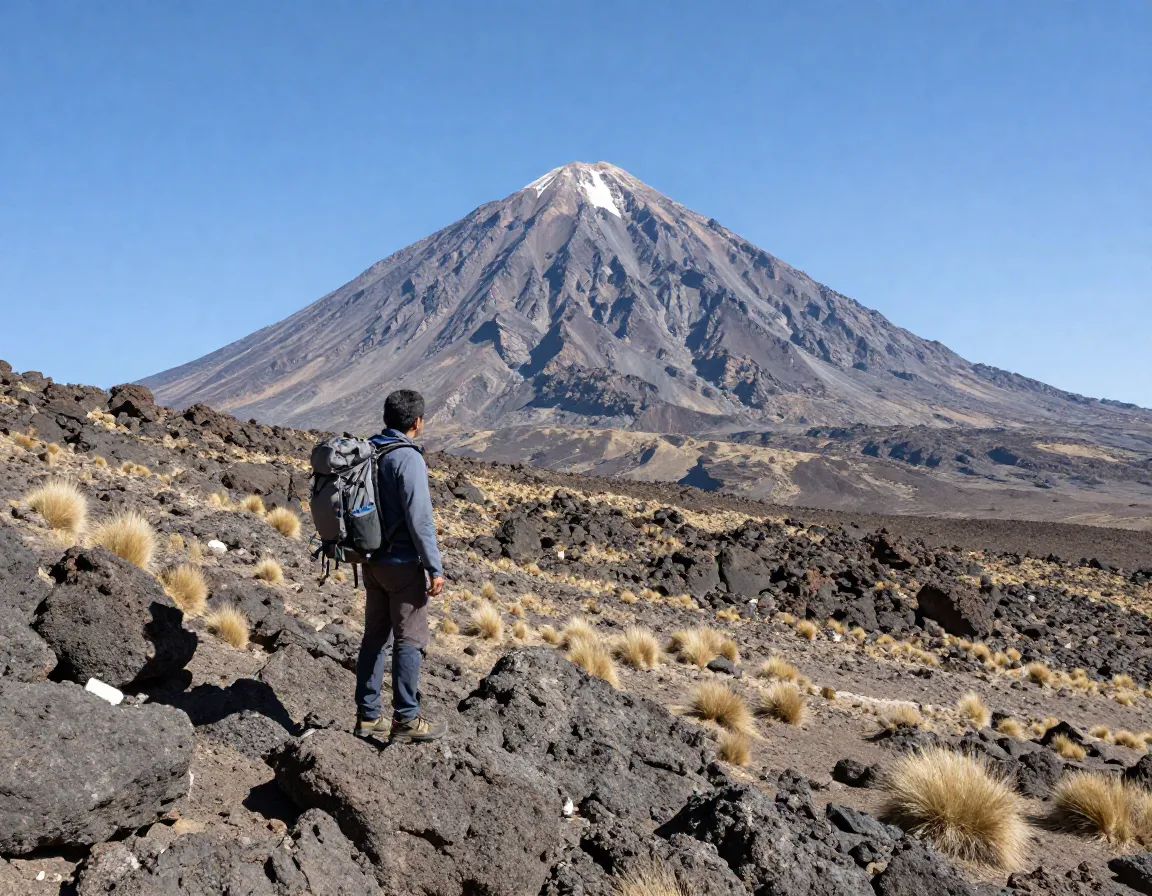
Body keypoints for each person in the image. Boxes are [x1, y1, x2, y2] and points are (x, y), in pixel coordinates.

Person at [353, 389, 447, 743]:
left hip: (371, 562)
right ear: (417, 422)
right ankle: (407, 718)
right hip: (402, 564)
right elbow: (420, 519)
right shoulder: (407, 458)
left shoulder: (369, 451)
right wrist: (434, 567)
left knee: (374, 638)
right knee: (410, 640)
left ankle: (367, 717)